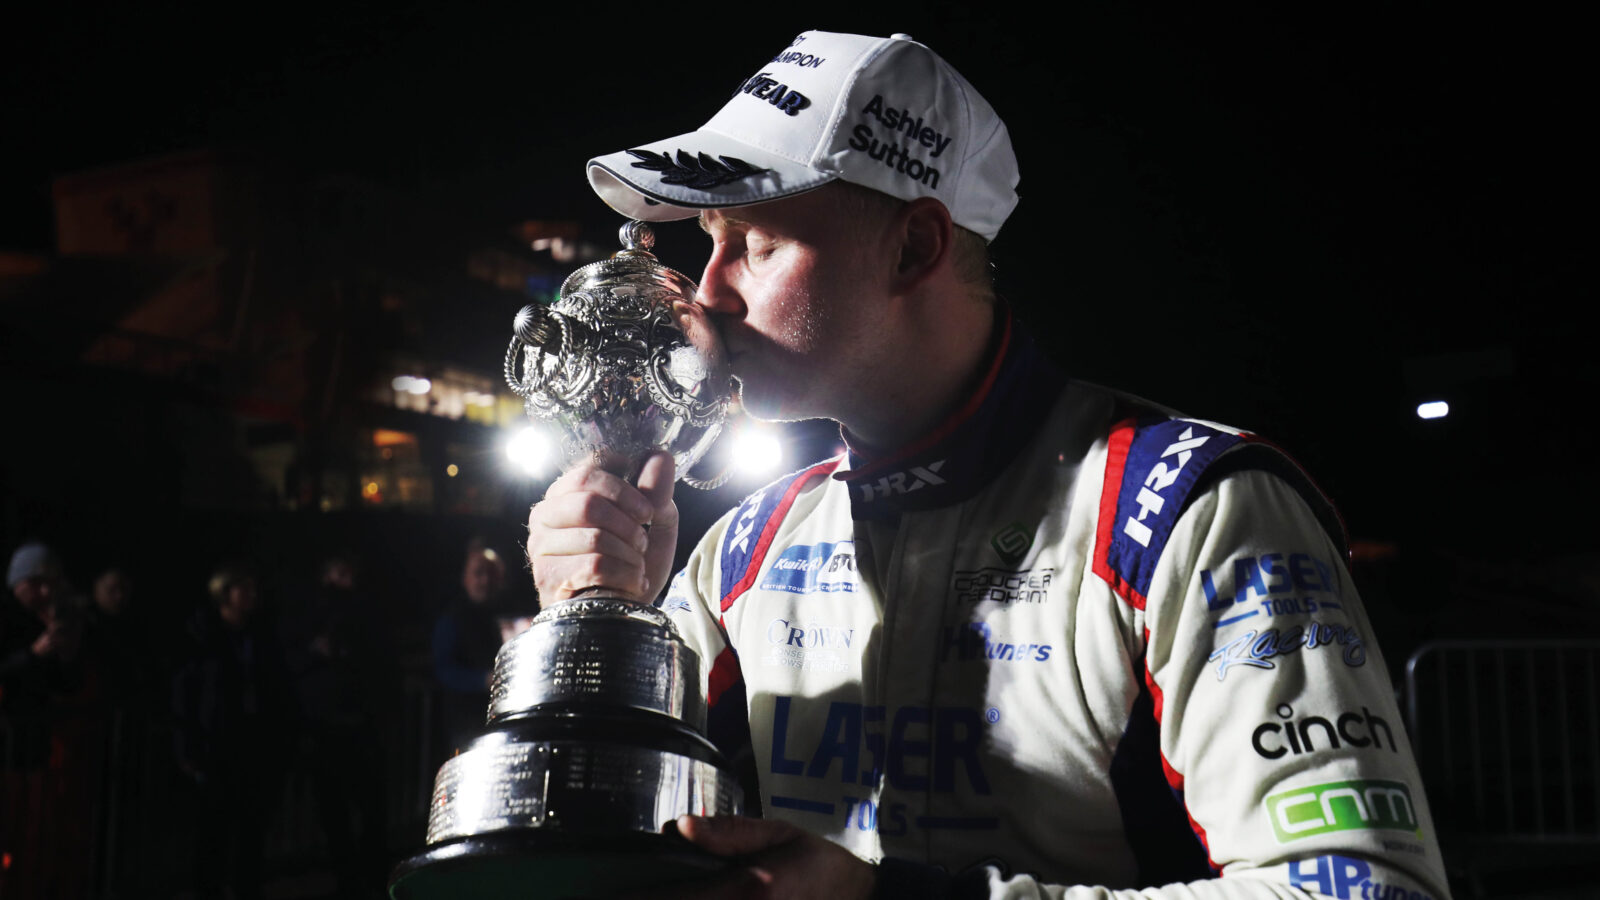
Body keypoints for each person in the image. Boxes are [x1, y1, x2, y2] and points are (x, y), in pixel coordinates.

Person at [527, 30, 1451, 900]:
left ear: (915, 247)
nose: (709, 293)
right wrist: (596, 623)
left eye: (757, 245)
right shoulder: (745, 551)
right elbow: (593, 856)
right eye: (710, 243)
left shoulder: (1190, 511)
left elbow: (1369, 887)